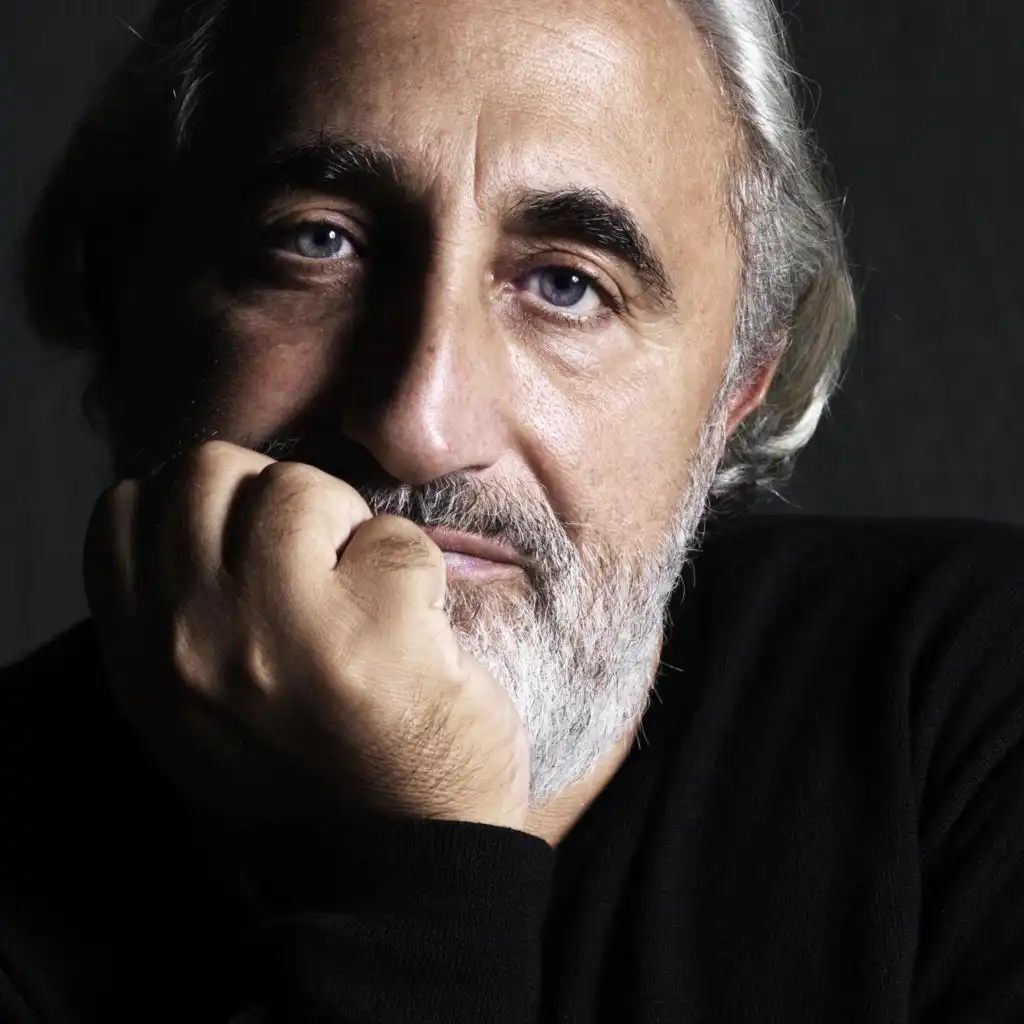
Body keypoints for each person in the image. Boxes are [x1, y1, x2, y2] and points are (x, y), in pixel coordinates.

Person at [2, 0, 1022, 1019]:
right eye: (320, 241)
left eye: (567, 285)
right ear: (122, 306)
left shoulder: (970, 713)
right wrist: (403, 872)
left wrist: (396, 859)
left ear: (736, 394)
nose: (420, 426)